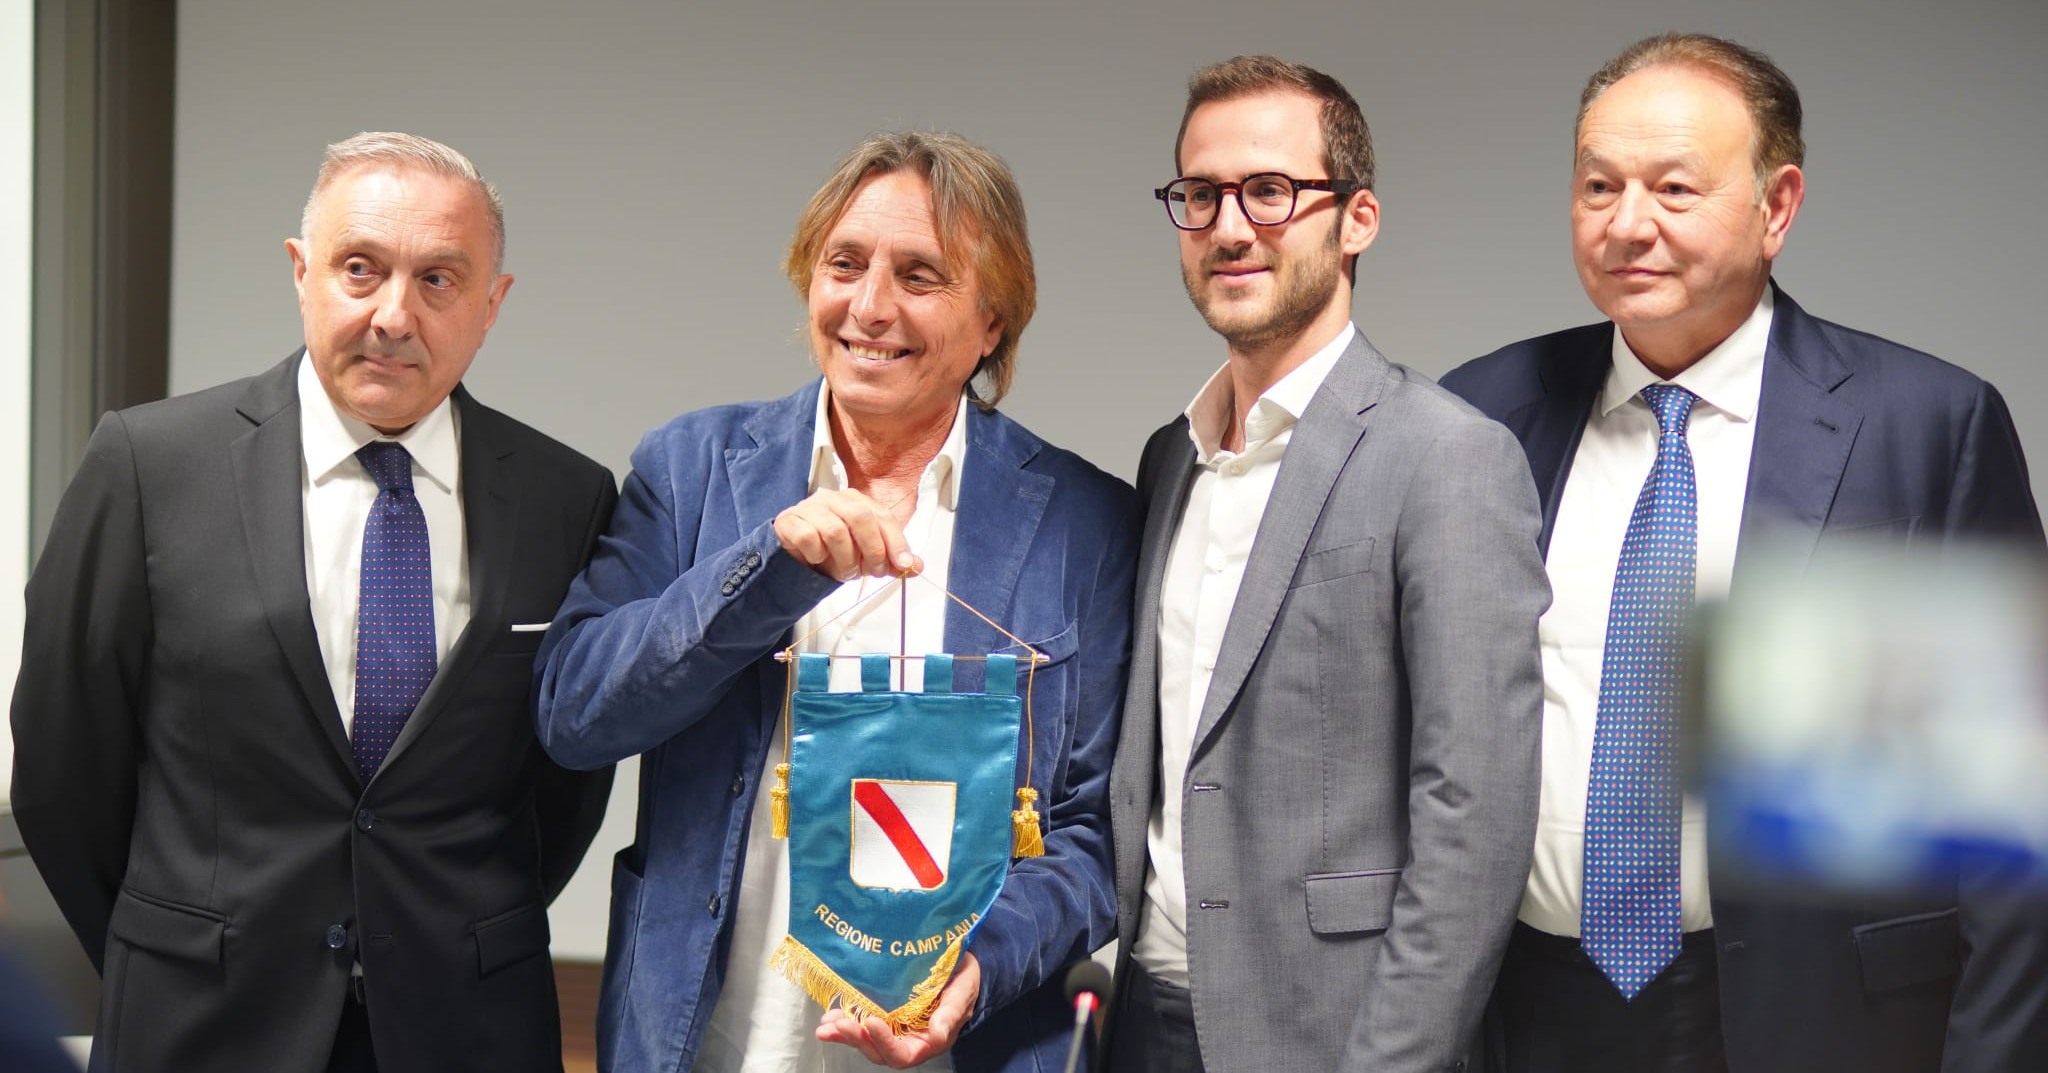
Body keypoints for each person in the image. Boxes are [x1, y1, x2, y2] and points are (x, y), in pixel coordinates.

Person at [1441, 33, 2048, 1073]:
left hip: (1816, 1012)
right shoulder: (1481, 412)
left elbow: (2010, 808)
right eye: (1598, 185)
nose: (1627, 223)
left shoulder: (1925, 425)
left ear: (1777, 206)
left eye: (1674, 188)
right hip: (1527, 1005)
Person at [9, 132, 618, 1073]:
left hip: (466, 1026)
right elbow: (63, 767)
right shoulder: (149, 466)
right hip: (201, 1023)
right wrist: (173, 943)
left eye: (439, 280)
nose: (393, 315)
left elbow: (566, 782)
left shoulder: (565, 498)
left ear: (492, 304)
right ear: (302, 272)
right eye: (360, 268)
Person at [533, 131, 1138, 1073]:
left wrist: (978, 969)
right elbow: (574, 713)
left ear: (992, 321)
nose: (869, 306)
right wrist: (763, 572)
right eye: (844, 264)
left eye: (920, 275)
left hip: (966, 1048)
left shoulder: (1085, 522)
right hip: (711, 1044)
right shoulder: (690, 470)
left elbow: (1097, 830)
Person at [1104, 56, 1549, 1073]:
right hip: (1143, 1018)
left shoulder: (1445, 456)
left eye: (1269, 190)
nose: (1228, 226)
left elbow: (1474, 818)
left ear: (1357, 220)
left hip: (1333, 1033)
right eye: (1201, 194)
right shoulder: (1169, 458)